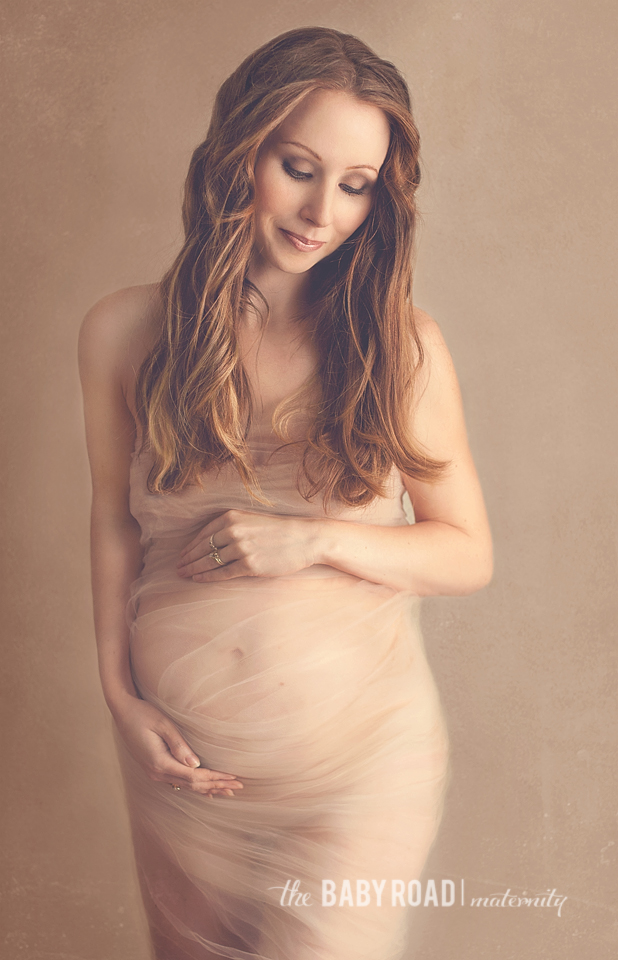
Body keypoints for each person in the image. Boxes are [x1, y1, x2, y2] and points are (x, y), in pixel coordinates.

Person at [78, 25, 492, 960]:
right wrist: (120, 696)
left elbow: (466, 549)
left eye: (356, 185)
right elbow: (112, 522)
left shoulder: (402, 348)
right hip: (184, 766)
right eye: (299, 167)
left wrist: (313, 541)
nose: (323, 211)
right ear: (239, 151)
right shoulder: (121, 333)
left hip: (358, 771)